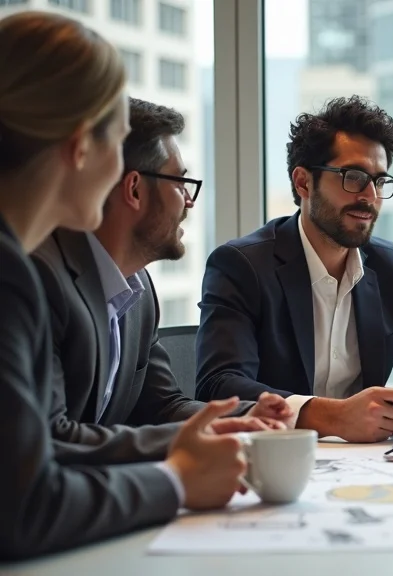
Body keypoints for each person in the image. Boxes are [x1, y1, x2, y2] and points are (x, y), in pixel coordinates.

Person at [0, 12, 249, 560]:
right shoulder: (17, 273)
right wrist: (179, 480)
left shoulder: (132, 289)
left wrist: (239, 426)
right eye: (114, 140)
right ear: (80, 145)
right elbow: (25, 502)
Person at [195, 96, 393, 443]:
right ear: (303, 183)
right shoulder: (243, 265)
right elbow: (219, 385)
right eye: (354, 177)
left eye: (380, 181)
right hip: (275, 458)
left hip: (368, 463)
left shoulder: (390, 265)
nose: (370, 196)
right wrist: (332, 416)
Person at [31, 97, 293, 466]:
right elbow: (54, 437)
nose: (188, 201)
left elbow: (162, 406)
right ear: (135, 189)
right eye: (180, 182)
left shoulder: (139, 291)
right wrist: (185, 451)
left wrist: (244, 421)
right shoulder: (43, 278)